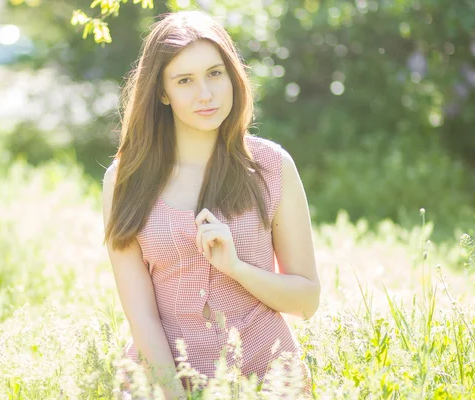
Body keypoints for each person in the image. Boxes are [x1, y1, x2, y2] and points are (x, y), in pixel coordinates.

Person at [102, 9, 319, 399]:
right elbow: (142, 316)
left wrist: (236, 268)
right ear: (162, 92)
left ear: (233, 76)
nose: (206, 93)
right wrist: (174, 394)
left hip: (265, 373)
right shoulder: (124, 180)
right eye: (185, 80)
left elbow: (306, 302)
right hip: (162, 377)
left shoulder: (271, 167)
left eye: (215, 73)